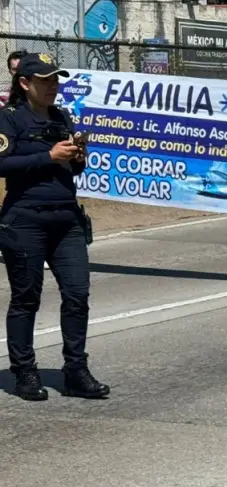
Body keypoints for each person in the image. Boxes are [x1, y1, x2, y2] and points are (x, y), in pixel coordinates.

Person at [0, 53, 108, 401]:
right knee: (26, 298)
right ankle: (25, 372)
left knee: (78, 296)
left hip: (66, 220)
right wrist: (48, 157)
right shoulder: (10, 119)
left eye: (56, 80)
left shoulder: (63, 116)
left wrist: (78, 157)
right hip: (25, 220)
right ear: (25, 84)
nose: (53, 86)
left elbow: (72, 171)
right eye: (45, 80)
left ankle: (75, 370)